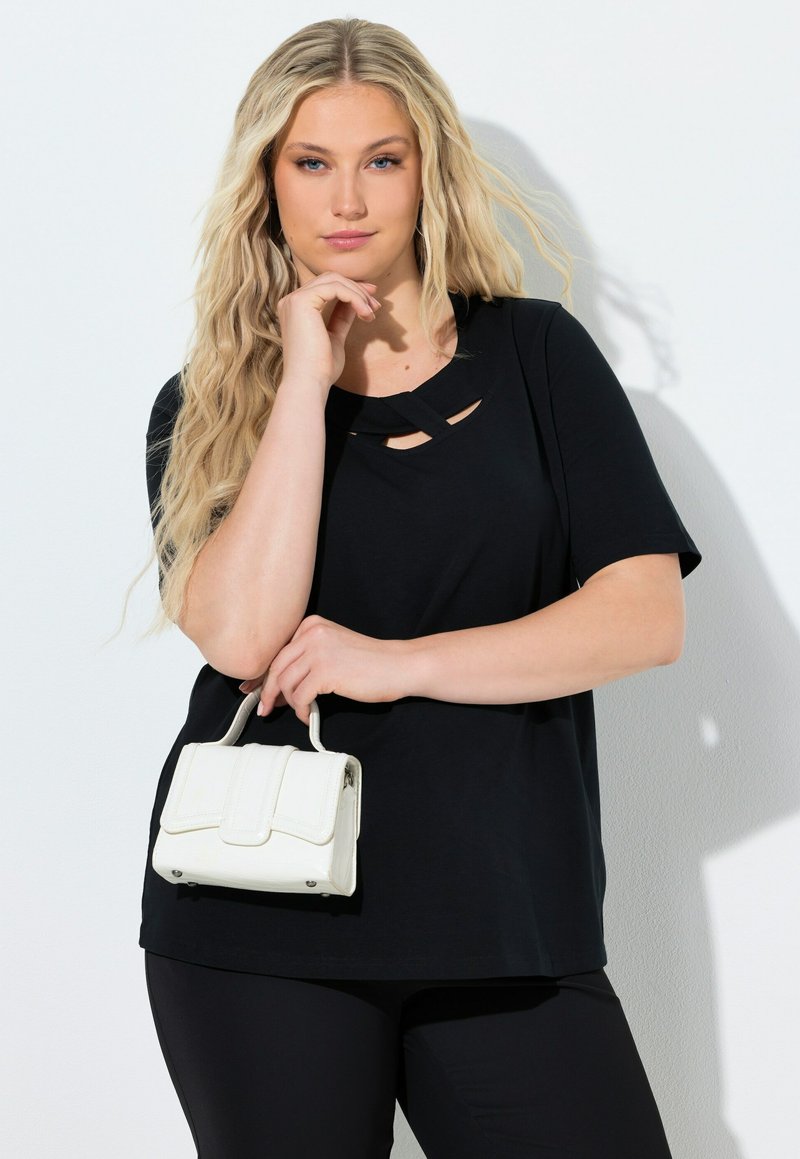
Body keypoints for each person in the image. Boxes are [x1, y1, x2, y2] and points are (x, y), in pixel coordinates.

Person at [137, 17, 702, 1159]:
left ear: (425, 172)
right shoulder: (206, 404)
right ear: (267, 182)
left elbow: (645, 617)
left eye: (381, 160)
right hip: (258, 928)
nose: (347, 199)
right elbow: (240, 636)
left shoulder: (538, 357)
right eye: (312, 162)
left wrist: (393, 664)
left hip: (507, 920)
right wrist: (302, 380)